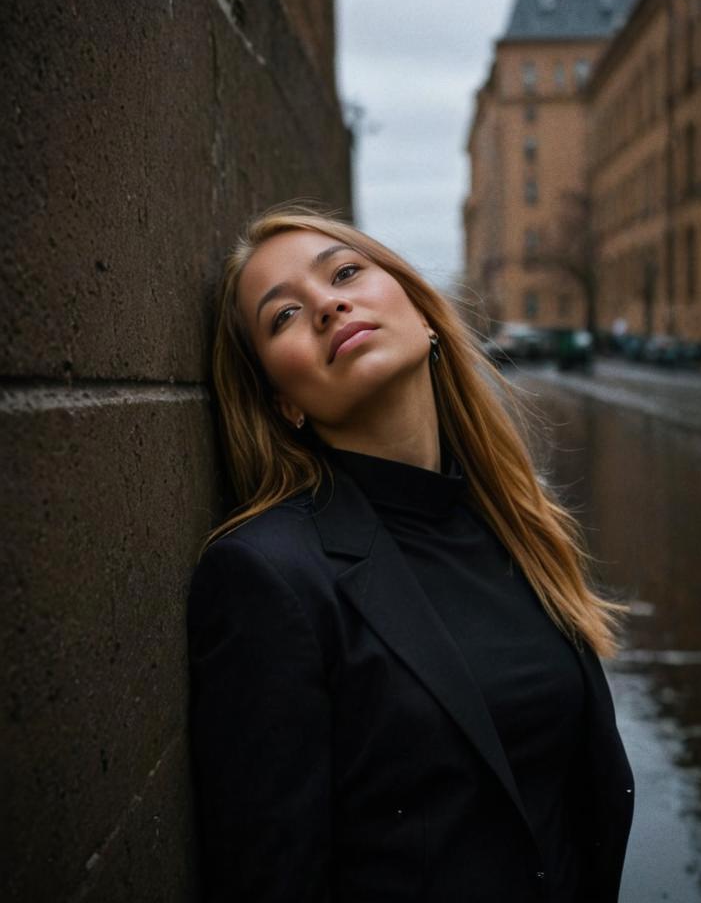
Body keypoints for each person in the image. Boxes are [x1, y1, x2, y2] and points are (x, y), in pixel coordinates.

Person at [187, 205, 634, 903]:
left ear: (423, 313)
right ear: (283, 403)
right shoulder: (266, 576)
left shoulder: (518, 525)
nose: (329, 304)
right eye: (282, 317)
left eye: (345, 273)